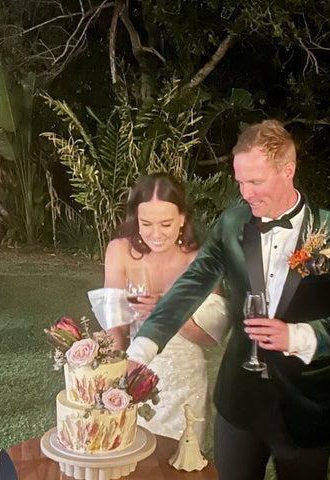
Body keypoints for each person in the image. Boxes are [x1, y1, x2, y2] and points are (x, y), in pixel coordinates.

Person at [126, 120, 330, 480]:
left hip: (306, 409)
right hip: (239, 407)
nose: (246, 194)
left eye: (256, 182)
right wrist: (140, 352)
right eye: (240, 182)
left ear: (288, 171)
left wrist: (299, 336)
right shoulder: (231, 225)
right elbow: (190, 285)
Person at [89, 173, 229, 444]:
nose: (155, 234)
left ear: (182, 219)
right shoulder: (119, 251)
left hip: (184, 380)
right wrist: (110, 374)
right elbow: (116, 330)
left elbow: (211, 337)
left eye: (165, 224)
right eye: (146, 223)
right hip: (134, 372)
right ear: (135, 220)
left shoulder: (199, 260)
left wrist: (165, 313)